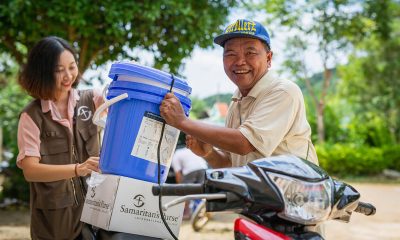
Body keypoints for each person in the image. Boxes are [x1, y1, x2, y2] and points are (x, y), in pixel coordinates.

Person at [160, 19, 319, 168]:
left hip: (294, 194)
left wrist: (182, 122)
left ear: (269, 58)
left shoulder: (283, 91)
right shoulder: (236, 102)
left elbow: (244, 143)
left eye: (250, 52)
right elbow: (230, 164)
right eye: (231, 54)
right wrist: (208, 153)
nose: (240, 61)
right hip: (258, 195)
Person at [17, 36, 102, 240]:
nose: (68, 76)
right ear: (43, 72)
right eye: (58, 70)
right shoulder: (31, 116)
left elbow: (123, 116)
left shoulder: (93, 100)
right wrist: (76, 169)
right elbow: (30, 170)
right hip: (53, 225)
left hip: (95, 215)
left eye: (72, 67)